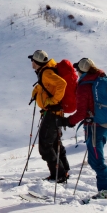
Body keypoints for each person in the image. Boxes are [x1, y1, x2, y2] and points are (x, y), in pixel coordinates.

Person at [65, 58, 107, 199]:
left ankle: (106, 190)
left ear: (82, 70)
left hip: (94, 126)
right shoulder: (101, 80)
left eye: (78, 70)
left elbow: (82, 112)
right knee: (95, 159)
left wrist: (69, 121)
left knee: (96, 160)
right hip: (105, 124)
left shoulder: (85, 86)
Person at [28, 49, 70, 183]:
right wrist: (37, 90)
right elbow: (48, 87)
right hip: (55, 113)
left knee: (45, 146)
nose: (31, 63)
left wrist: (53, 101)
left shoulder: (46, 73)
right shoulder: (46, 71)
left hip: (52, 114)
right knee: (55, 143)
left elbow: (61, 84)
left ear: (37, 62)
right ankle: (64, 171)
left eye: (32, 61)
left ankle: (58, 174)